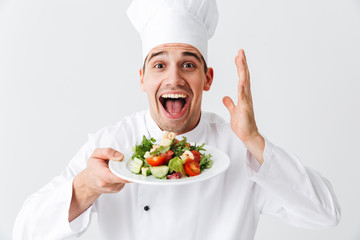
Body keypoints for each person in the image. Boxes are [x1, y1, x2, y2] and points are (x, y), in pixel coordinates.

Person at [13, 0, 340, 239]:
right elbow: (25, 232)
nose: (174, 79)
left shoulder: (240, 151)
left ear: (207, 79)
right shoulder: (111, 147)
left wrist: (255, 141)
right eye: (159, 65)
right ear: (142, 79)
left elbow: (326, 214)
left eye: (188, 65)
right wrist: (85, 186)